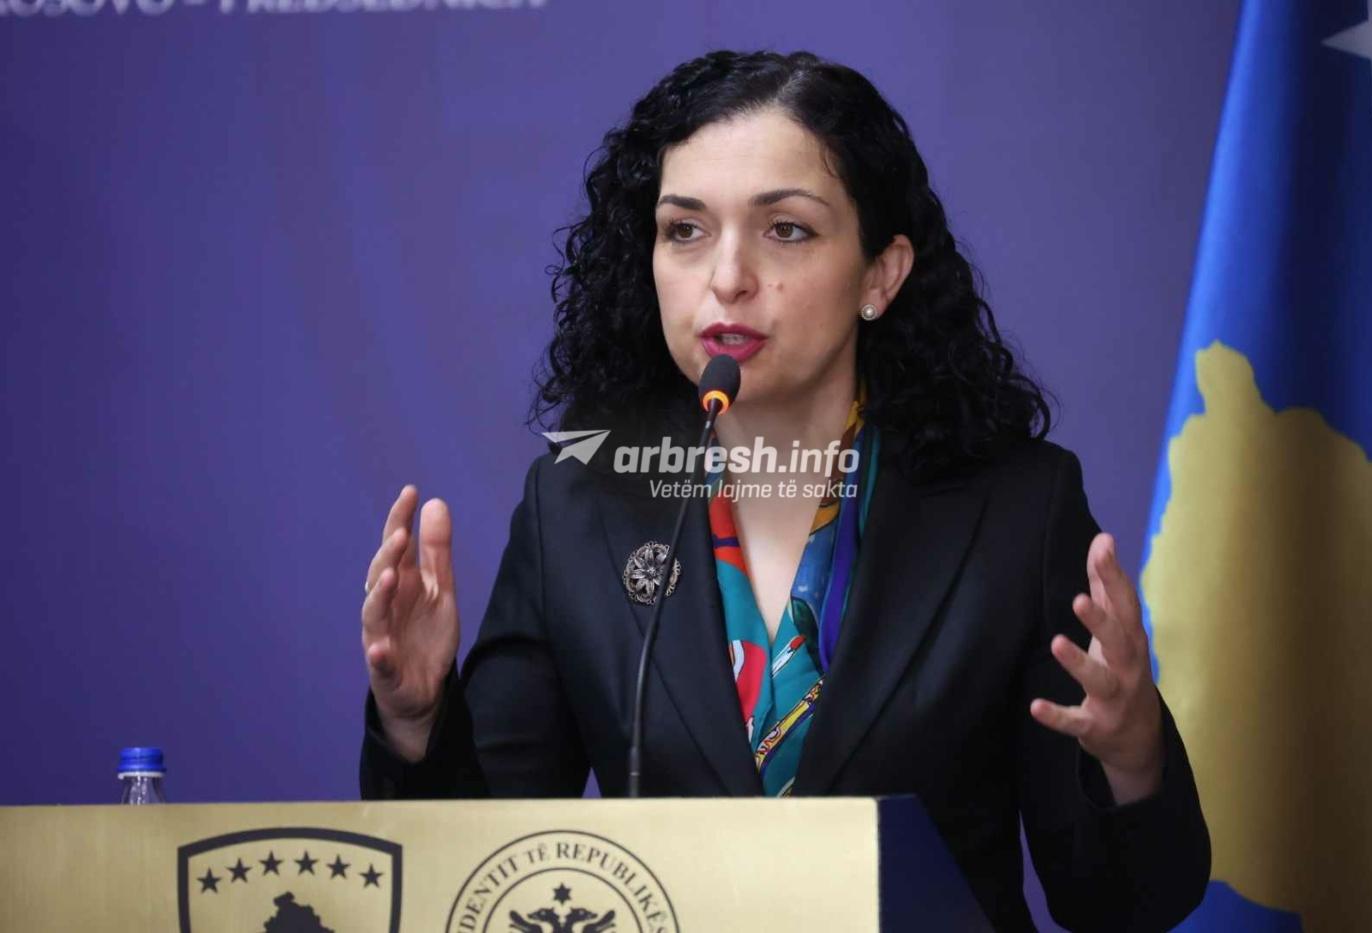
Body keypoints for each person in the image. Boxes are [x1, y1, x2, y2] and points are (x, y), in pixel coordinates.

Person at [357, 50, 1210, 931]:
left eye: (786, 230)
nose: (727, 277)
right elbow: (491, 869)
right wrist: (416, 721)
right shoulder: (577, 507)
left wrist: (1131, 755)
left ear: (880, 274)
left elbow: (1118, 905)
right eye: (685, 230)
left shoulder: (1016, 508)